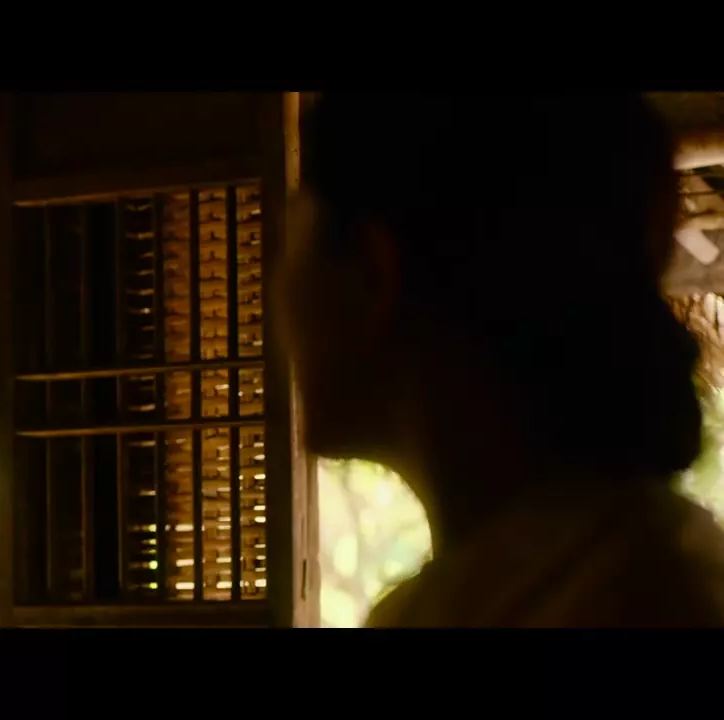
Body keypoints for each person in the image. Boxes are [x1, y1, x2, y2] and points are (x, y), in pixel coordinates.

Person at [284, 92, 724, 627]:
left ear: (376, 273)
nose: (278, 304)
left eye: (291, 246)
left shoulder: (629, 601)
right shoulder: (599, 574)